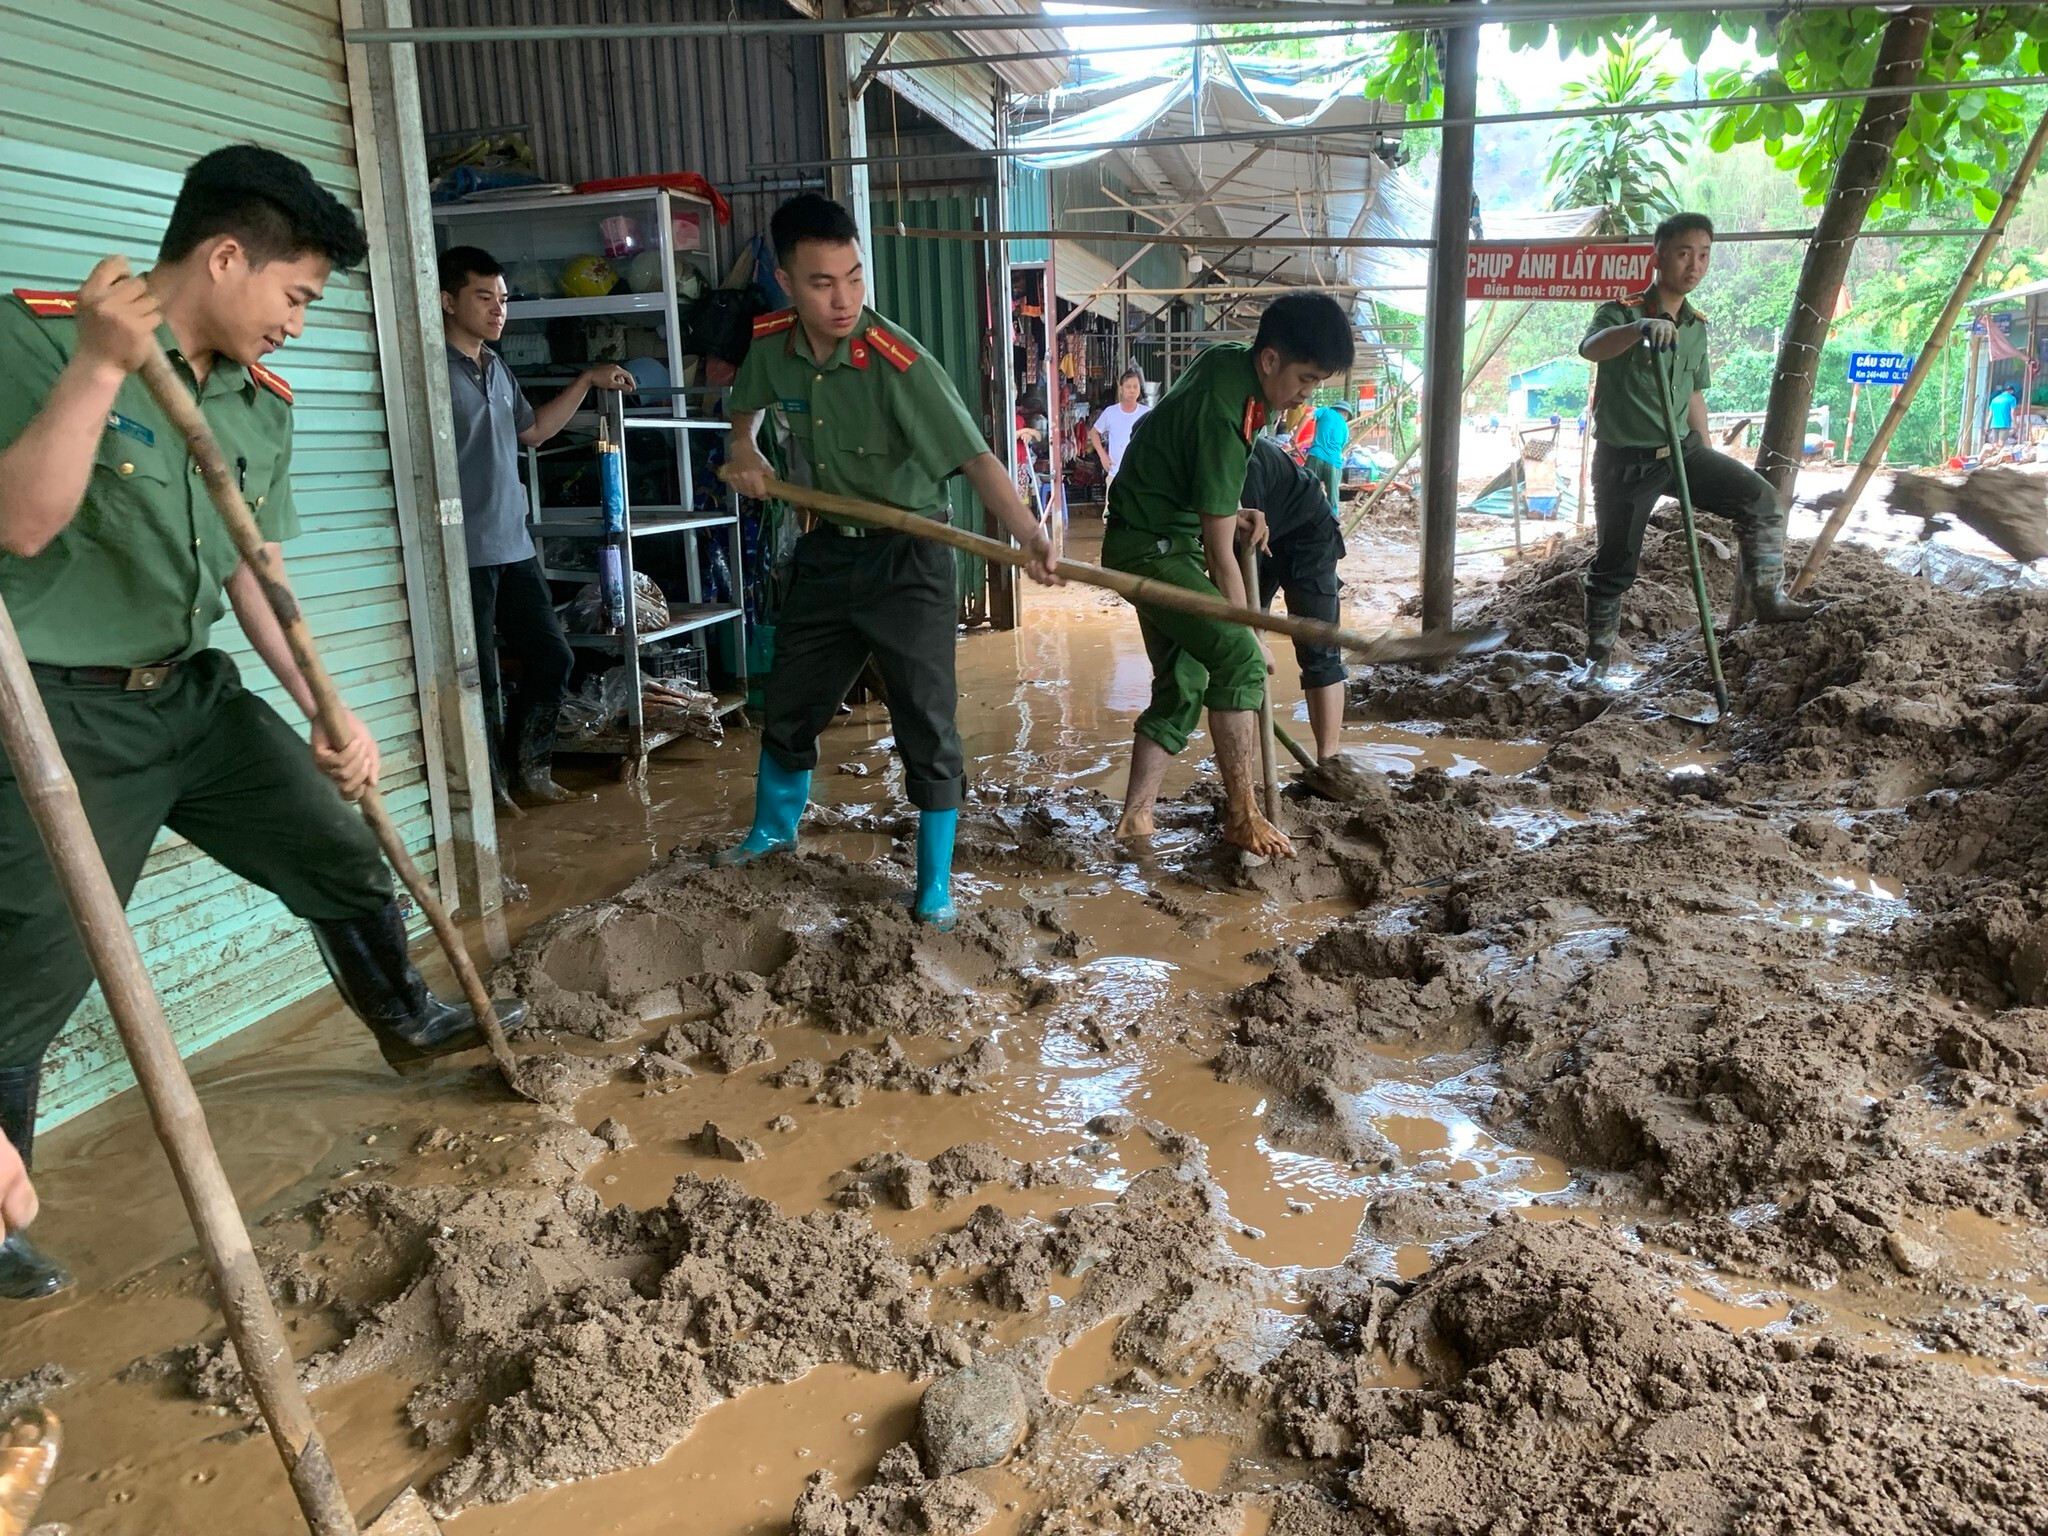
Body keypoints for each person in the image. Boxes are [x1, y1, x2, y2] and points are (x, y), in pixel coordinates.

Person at [0, 147, 525, 1301]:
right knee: (28, 971)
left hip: (192, 694)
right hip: (58, 719)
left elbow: (255, 572)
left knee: (336, 842)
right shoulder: (34, 339)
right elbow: (22, 528)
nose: (297, 324)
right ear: (224, 257)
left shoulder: (255, 400)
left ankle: (405, 1016)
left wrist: (328, 711)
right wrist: (99, 369)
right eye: (294, 297)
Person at [719, 194, 1057, 929]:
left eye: (853, 277)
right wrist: (742, 448)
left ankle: (933, 883)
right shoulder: (772, 342)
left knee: (925, 725)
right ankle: (772, 831)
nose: (843, 299)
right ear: (785, 282)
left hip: (911, 561)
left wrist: (1029, 534)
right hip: (827, 552)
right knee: (789, 701)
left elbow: (973, 456)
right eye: (822, 283)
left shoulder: (897, 362)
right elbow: (743, 406)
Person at [1105, 292, 1355, 857]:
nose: (1306, 395)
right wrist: (1250, 634)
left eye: (1316, 384)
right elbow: (1221, 559)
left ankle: (1135, 821)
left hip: (1152, 531)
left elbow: (1177, 458)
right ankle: (1243, 816)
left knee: (1185, 681)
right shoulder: (1228, 417)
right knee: (1240, 659)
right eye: (1305, 379)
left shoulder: (1227, 361)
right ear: (1270, 360)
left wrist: (1229, 510)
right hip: (1156, 549)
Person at [1577, 211, 1816, 675]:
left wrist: (1705, 455)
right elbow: (1592, 348)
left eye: (1704, 255)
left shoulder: (1696, 325)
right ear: (1659, 255)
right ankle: (1597, 661)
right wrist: (1639, 330)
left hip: (1682, 452)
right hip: (1626, 461)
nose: (1695, 265)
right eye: (1684, 253)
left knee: (1763, 502)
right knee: (1615, 565)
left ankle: (1770, 599)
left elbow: (1694, 395)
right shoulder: (1622, 310)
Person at [438, 246, 635, 809]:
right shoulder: (430, 370)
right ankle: (489, 788)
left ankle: (532, 769)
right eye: (485, 298)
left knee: (554, 657)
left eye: (503, 300)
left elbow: (534, 433)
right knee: (477, 677)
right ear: (449, 300)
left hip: (512, 542)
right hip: (462, 550)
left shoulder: (496, 367)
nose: (500, 310)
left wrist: (587, 379)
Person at [1241, 436, 1347, 760]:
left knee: (1318, 646)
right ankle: (1242, 760)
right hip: (1254, 539)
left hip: (1307, 531)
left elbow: (1233, 556)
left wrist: (1248, 628)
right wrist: (1249, 637)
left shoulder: (1239, 465)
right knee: (1242, 651)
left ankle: (1328, 762)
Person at [1087, 368, 1151, 483]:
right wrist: (1103, 456)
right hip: (1115, 475)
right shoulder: (1110, 412)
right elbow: (1094, 432)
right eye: (1128, 387)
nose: (1132, 390)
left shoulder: (1147, 413)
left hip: (1141, 477)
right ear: (1121, 389)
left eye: (1135, 387)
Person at [1305, 399, 1350, 506]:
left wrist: (1295, 436)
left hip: (1316, 456)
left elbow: (1307, 416)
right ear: (1345, 413)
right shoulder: (1345, 428)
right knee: (1333, 498)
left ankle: (1304, 519)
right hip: (1334, 462)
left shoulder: (1325, 411)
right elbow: (1341, 448)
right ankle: (1333, 520)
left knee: (1306, 492)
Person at [1987, 383, 2018, 448]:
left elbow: (1990, 414)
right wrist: (2015, 424)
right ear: (2011, 391)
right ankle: (1997, 456)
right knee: (2001, 443)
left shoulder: (1994, 399)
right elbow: (2013, 412)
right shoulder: (2012, 398)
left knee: (1995, 443)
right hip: (2004, 424)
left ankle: (1994, 455)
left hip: (1994, 424)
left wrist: (1987, 426)